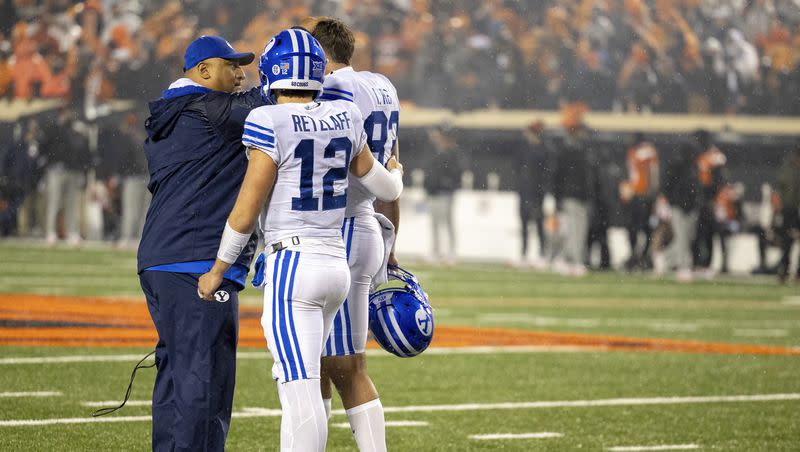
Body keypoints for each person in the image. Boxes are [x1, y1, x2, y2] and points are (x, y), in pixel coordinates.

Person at [196, 28, 403, 452]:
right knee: (314, 381)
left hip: (294, 267)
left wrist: (219, 267)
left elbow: (245, 208)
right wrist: (397, 171)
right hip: (335, 267)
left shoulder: (267, 119)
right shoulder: (345, 117)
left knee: (300, 388)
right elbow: (386, 187)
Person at [137, 35, 264, 452]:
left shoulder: (173, 112)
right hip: (196, 262)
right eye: (232, 66)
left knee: (177, 376)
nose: (242, 73)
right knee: (205, 380)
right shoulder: (208, 109)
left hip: (162, 258)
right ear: (204, 71)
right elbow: (280, 99)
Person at [307, 17, 400, 451]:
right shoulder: (381, 85)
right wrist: (391, 241)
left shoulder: (334, 91)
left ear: (321, 58)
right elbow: (393, 162)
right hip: (364, 222)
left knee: (347, 367)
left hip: (338, 226)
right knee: (324, 365)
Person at [424, 123, 463, 264]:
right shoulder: (435, 151)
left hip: (445, 192)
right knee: (435, 223)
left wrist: (448, 185)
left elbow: (456, 173)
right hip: (434, 192)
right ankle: (436, 251)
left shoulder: (452, 152)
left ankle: (451, 252)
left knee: (447, 222)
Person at [621, 133, 659, 271]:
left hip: (643, 194)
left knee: (643, 227)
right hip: (636, 193)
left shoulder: (646, 150)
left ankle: (642, 256)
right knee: (635, 227)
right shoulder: (634, 152)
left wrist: (652, 191)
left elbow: (653, 171)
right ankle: (637, 255)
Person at [776, 147, 800, 283]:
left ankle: (791, 272)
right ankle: (784, 271)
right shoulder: (788, 167)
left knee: (787, 242)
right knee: (787, 242)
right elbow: (781, 189)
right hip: (789, 210)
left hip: (790, 209)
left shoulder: (788, 168)